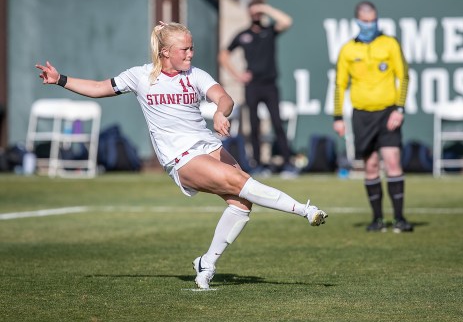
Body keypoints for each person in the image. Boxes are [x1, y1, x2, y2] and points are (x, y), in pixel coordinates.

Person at [35, 21, 327, 290]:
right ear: (165, 52)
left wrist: (219, 114)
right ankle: (305, 210)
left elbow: (225, 98)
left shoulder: (195, 75)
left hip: (208, 146)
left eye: (191, 48)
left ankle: (206, 263)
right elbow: (100, 88)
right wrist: (60, 78)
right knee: (242, 183)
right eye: (184, 49)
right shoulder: (139, 77)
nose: (190, 53)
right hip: (180, 157)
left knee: (241, 202)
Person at [332, 1, 413, 233]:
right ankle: (377, 219)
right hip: (362, 115)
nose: (370, 25)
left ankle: (399, 219)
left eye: (373, 20)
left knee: (393, 161)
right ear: (357, 21)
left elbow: (404, 76)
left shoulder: (390, 43)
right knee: (370, 166)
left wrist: (399, 109)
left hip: (388, 112)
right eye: (365, 21)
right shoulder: (348, 49)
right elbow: (339, 85)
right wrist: (338, 117)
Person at [219, 1, 298, 177]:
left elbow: (287, 21)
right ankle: (258, 164)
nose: (256, 15)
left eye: (258, 12)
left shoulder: (269, 31)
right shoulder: (243, 35)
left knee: (277, 123)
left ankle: (287, 163)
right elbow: (223, 55)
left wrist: (265, 8)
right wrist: (237, 75)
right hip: (252, 86)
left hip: (270, 85)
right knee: (254, 125)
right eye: (253, 12)